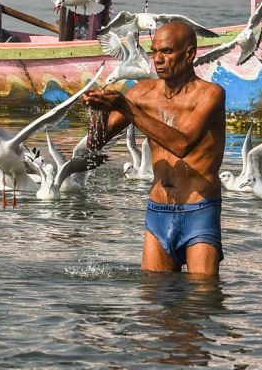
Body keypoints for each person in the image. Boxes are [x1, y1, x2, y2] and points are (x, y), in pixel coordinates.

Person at [82, 20, 226, 278]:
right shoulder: (142, 93)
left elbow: (182, 144)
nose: (157, 59)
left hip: (200, 210)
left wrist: (127, 109)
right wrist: (97, 109)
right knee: (153, 301)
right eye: (154, 52)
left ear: (189, 53)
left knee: (202, 299)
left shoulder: (211, 94)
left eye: (167, 52)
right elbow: (95, 143)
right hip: (158, 212)